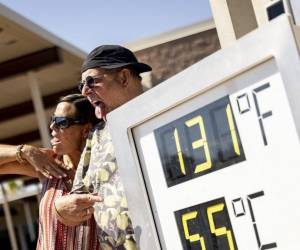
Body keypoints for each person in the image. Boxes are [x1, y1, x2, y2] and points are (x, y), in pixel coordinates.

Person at [54, 45, 152, 250]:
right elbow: (76, 198)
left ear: (124, 78)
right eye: (81, 84)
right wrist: (59, 208)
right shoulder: (96, 137)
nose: (84, 91)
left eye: (92, 81)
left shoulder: (163, 114)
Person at [0, 94, 102, 250]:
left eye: (61, 122)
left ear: (86, 129)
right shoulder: (49, 164)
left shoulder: (104, 167)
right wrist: (24, 150)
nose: (52, 127)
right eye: (53, 120)